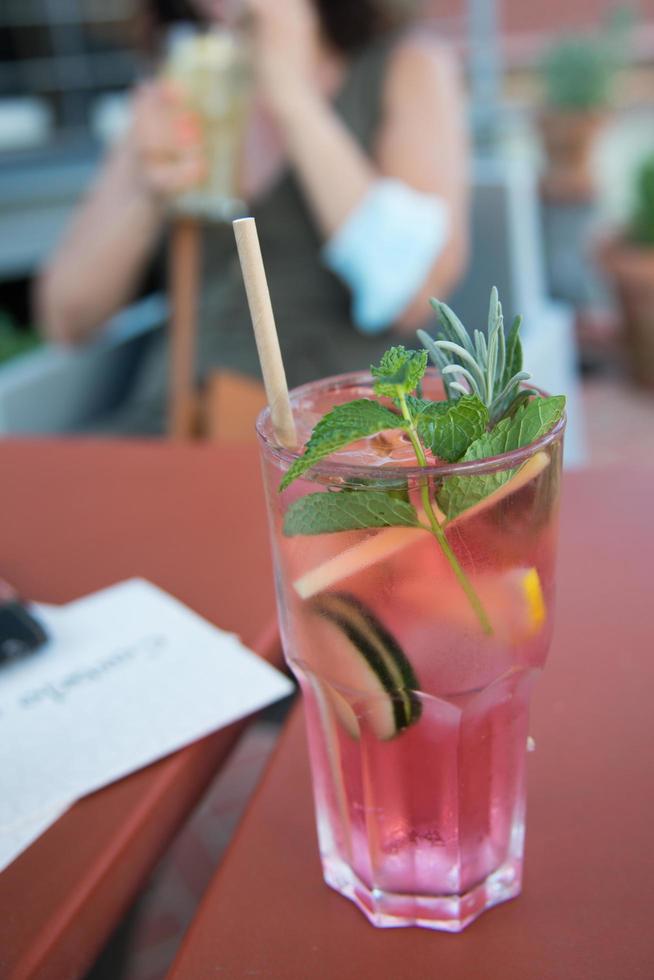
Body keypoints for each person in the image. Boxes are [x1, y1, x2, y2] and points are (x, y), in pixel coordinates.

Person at [36, 0, 469, 434]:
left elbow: (416, 294)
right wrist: (149, 195)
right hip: (178, 426)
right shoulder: (183, 81)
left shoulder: (405, 64)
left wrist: (291, 95)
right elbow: (66, 317)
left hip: (342, 439)